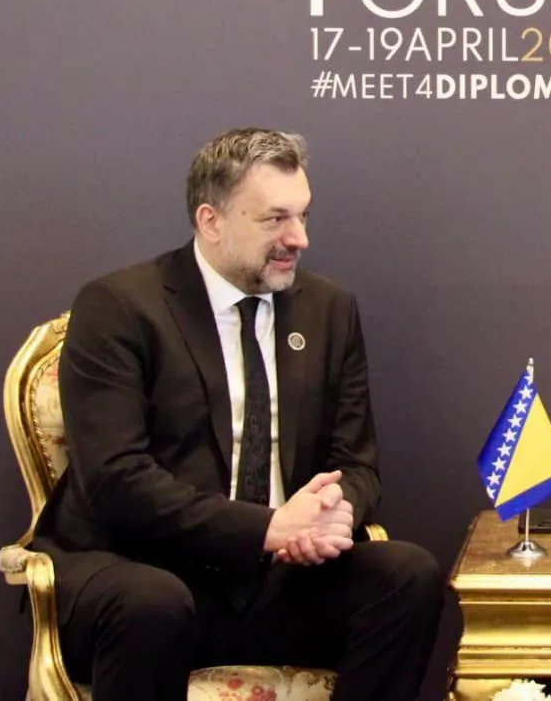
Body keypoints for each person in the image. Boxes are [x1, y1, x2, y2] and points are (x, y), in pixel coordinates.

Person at [32, 128, 442, 701]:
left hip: (274, 579)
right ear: (211, 220)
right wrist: (269, 528)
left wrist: (329, 514)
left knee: (407, 577)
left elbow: (357, 463)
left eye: (302, 215)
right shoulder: (120, 307)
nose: (299, 238)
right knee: (153, 603)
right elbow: (116, 481)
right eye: (276, 219)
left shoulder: (329, 310)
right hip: (138, 570)